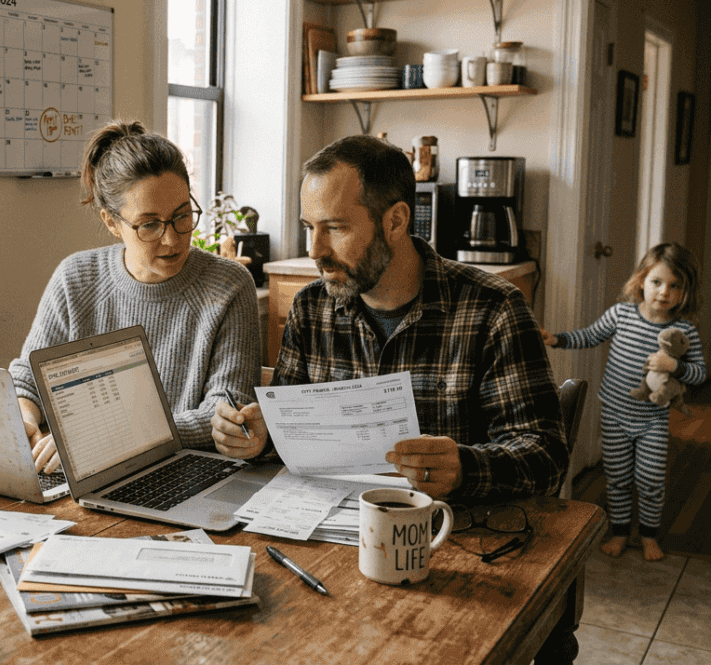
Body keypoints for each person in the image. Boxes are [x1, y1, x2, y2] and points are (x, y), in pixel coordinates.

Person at [211, 134, 568, 502]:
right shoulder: (310, 309)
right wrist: (259, 436)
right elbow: (291, 438)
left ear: (395, 222)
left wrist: (464, 468)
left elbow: (546, 457)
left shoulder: (494, 308)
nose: (314, 250)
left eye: (335, 228)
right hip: (327, 526)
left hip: (448, 532)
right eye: (308, 227)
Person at [9, 120, 261, 473]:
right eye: (149, 225)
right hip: (76, 472)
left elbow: (225, 413)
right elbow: (30, 374)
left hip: (182, 474)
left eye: (182, 216)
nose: (172, 239)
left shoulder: (229, 285)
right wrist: (24, 415)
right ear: (112, 223)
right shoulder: (75, 277)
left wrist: (111, 438)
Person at [540, 243, 705, 561]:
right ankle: (618, 532)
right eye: (656, 282)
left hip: (653, 418)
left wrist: (676, 367)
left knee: (650, 477)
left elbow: (699, 374)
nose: (663, 292)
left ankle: (648, 535)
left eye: (675, 286)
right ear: (642, 279)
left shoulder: (684, 330)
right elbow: (589, 335)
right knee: (616, 476)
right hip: (614, 413)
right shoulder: (622, 314)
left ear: (685, 292)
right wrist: (556, 339)